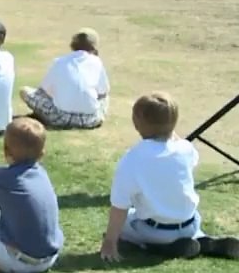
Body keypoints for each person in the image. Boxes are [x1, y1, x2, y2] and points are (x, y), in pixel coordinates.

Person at [102, 92, 239, 262]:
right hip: (190, 223)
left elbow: (119, 207)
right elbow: (184, 150)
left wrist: (109, 241)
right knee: (182, 221)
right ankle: (201, 238)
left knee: (126, 224)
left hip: (157, 230)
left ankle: (159, 247)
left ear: (136, 123)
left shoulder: (132, 158)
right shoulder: (185, 149)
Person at [0, 117, 62, 273]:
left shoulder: (0, 177)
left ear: (6, 151)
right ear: (42, 153)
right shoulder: (42, 174)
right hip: (50, 258)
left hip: (17, 262)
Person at [21, 28, 110, 130]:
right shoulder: (97, 62)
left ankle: (42, 116)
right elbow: (104, 92)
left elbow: (43, 91)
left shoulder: (59, 62)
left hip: (60, 118)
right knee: (105, 98)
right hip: (90, 119)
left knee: (24, 91)